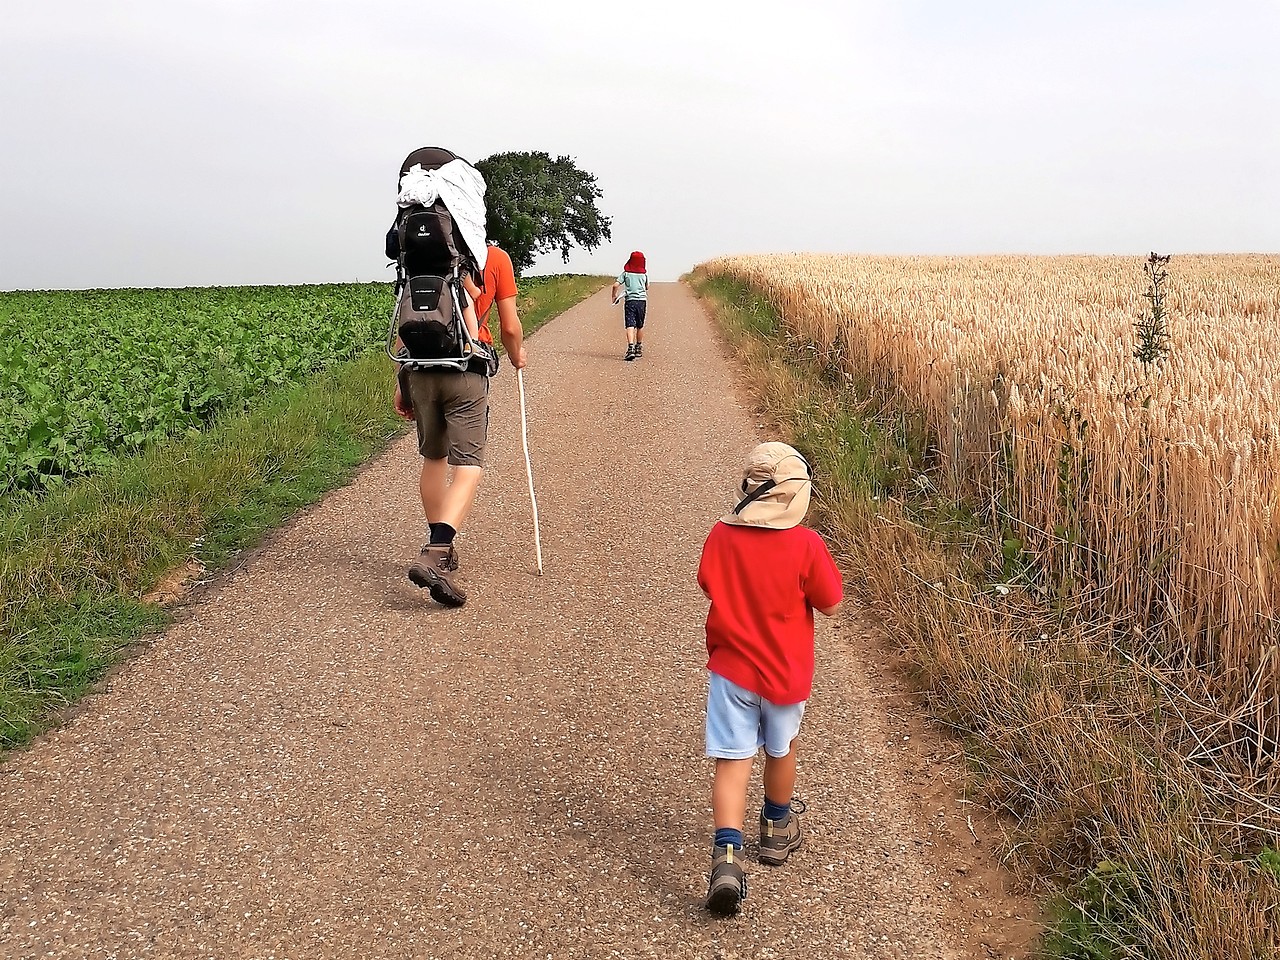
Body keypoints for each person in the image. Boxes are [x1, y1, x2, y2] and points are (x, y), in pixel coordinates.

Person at [696, 442, 843, 915]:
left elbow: (707, 582)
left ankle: (728, 856)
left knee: (732, 760)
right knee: (782, 749)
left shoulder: (721, 535)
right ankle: (777, 830)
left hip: (732, 672)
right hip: (785, 674)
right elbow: (831, 600)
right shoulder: (806, 545)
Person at [392, 242, 526, 607]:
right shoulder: (494, 259)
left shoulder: (420, 256)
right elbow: (510, 327)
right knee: (467, 467)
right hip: (465, 369)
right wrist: (518, 356)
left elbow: (407, 326)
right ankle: (437, 550)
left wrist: (400, 383)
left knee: (433, 459)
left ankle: (441, 550)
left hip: (419, 371)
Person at [610, 251, 648, 361]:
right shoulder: (644, 274)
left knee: (630, 324)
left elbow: (615, 285)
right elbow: (647, 287)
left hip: (630, 301)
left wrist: (614, 296)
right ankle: (638, 347)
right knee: (640, 325)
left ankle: (630, 347)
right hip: (641, 301)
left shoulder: (626, 273)